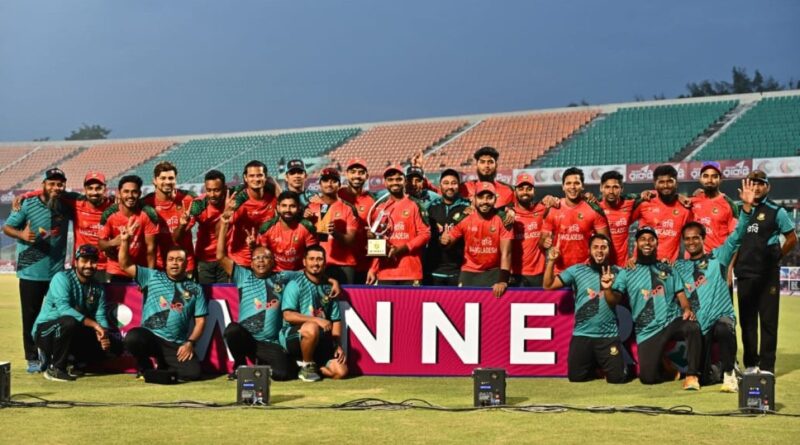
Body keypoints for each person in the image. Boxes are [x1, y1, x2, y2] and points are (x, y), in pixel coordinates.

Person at [217, 210, 338, 381]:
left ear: (273, 261)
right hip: (247, 338)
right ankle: (239, 365)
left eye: (265, 258)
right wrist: (224, 225)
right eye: (257, 258)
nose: (261, 261)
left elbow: (311, 271)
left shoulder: (283, 277)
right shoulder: (243, 275)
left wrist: (332, 280)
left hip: (269, 343)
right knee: (232, 330)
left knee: (284, 374)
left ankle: (263, 364)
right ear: (251, 262)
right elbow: (220, 256)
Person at [673, 179, 754, 391]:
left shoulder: (718, 257)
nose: (691, 242)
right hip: (700, 323)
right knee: (707, 377)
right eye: (687, 239)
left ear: (703, 239)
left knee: (724, 328)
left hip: (721, 317)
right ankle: (704, 373)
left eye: (695, 238)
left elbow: (738, 235)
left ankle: (729, 375)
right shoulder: (680, 267)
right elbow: (675, 289)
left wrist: (746, 207)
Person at [606, 227, 702, 390]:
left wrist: (687, 309)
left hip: (671, 321)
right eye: (643, 239)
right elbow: (613, 300)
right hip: (647, 330)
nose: (647, 243)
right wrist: (607, 288)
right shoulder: (627, 271)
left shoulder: (668, 268)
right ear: (636, 243)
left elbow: (681, 294)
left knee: (692, 326)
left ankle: (692, 375)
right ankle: (666, 364)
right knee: (648, 379)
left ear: (657, 243)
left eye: (651, 239)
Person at [118, 218, 207, 381]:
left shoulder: (195, 289)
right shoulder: (151, 276)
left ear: (186, 263)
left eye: (179, 260)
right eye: (171, 260)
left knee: (193, 373)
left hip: (174, 343)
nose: (175, 263)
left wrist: (190, 343)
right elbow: (125, 265)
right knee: (133, 337)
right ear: (165, 263)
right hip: (151, 337)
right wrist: (125, 241)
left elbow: (200, 322)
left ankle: (162, 367)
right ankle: (145, 365)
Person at [3, 168, 72, 373]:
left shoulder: (66, 205)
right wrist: (21, 235)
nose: (56, 187)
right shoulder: (28, 204)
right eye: (52, 183)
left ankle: (54, 355)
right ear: (44, 184)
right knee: (30, 317)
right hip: (31, 272)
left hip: (56, 273)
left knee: (59, 316)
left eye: (60, 184)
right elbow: (7, 227)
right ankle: (32, 358)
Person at [734, 170, 798, 374]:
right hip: (745, 273)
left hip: (767, 275)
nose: (756, 187)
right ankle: (751, 364)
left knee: (769, 322)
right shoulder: (738, 209)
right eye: (752, 183)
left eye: (760, 183)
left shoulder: (776, 211)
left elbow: (792, 238)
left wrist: (778, 255)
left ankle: (767, 366)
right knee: (747, 322)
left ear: (767, 187)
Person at [543, 234, 626, 383]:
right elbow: (548, 285)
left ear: (609, 250)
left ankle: (608, 364)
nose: (599, 251)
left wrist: (607, 288)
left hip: (608, 335)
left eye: (603, 247)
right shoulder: (576, 270)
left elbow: (614, 301)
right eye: (595, 247)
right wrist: (551, 261)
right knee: (576, 378)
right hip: (582, 334)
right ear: (589, 250)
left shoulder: (620, 272)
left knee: (617, 379)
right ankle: (595, 366)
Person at [32, 245, 115, 382]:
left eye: (93, 261)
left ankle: (73, 361)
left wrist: (104, 335)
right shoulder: (61, 278)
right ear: (76, 262)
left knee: (114, 346)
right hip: (46, 331)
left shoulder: (97, 287)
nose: (89, 265)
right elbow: (64, 309)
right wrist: (95, 325)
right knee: (68, 321)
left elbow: (100, 315)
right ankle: (55, 368)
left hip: (72, 331)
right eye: (84, 261)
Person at [14, 171, 114, 283]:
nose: (94, 192)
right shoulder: (76, 201)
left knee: (104, 295)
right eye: (90, 188)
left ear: (105, 189)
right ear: (85, 190)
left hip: (106, 266)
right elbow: (52, 190)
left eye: (98, 188)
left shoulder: (114, 206)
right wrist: (25, 195)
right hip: (80, 265)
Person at [281, 245, 348, 382]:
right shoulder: (295, 284)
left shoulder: (329, 288)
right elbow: (288, 315)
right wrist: (317, 320)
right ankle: (307, 366)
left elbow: (335, 320)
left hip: (320, 339)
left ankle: (309, 367)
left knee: (341, 372)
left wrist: (337, 344)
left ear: (325, 262)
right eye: (311, 259)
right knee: (312, 327)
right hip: (293, 337)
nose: (315, 263)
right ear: (304, 262)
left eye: (319, 259)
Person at [441, 182, 512, 297]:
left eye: (489, 197)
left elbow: (506, 253)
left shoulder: (504, 219)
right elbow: (448, 243)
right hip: (469, 271)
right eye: (481, 197)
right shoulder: (465, 218)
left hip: (493, 272)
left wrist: (503, 280)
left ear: (495, 199)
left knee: (494, 307)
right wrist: (444, 240)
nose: (485, 201)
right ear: (474, 199)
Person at [366, 165, 431, 286]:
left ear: (405, 181)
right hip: (385, 272)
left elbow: (425, 234)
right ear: (385, 183)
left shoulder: (415, 205)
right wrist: (373, 268)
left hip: (410, 272)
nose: (394, 182)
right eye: (390, 180)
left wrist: (403, 249)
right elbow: (378, 241)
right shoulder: (380, 207)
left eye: (398, 179)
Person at [540, 167, 609, 273]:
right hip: (560, 271)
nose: (572, 187)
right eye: (568, 183)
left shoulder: (594, 209)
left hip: (586, 271)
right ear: (563, 186)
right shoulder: (553, 208)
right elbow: (541, 241)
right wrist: (544, 243)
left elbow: (606, 242)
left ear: (582, 186)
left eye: (576, 183)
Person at [98, 175, 159, 281]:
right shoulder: (109, 214)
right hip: (116, 270)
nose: (130, 196)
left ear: (140, 193)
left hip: (139, 270)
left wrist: (150, 277)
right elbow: (100, 244)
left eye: (134, 192)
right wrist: (113, 242)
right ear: (119, 193)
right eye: (126, 191)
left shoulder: (148, 213)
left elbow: (151, 250)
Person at [305, 168, 359, 283]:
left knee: (345, 295)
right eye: (325, 180)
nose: (329, 184)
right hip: (318, 265)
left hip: (344, 265)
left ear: (339, 185)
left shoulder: (348, 208)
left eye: (334, 181)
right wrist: (306, 222)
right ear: (320, 184)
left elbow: (351, 241)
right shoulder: (310, 207)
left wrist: (335, 233)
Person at [145, 161, 197, 275]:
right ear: (154, 180)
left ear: (175, 180)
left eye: (171, 178)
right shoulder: (146, 204)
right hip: (158, 266)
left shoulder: (188, 199)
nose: (167, 182)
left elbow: (177, 238)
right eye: (163, 178)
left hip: (185, 266)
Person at [633, 165, 693, 262]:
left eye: (670, 181)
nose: (665, 186)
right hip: (641, 265)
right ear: (655, 184)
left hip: (668, 266)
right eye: (661, 182)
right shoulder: (644, 203)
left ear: (676, 183)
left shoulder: (685, 208)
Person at [227, 160, 279, 267]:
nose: (256, 179)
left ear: (265, 177)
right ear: (245, 178)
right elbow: (223, 227)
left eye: (259, 175)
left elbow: (284, 202)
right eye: (251, 176)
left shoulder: (273, 198)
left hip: (267, 259)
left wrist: (274, 182)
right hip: (241, 260)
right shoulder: (238, 201)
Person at [426, 168, 470, 286]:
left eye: (453, 183)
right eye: (446, 183)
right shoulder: (431, 207)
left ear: (459, 186)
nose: (450, 187)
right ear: (440, 186)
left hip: (459, 271)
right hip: (433, 270)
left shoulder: (468, 207)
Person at [337, 158, 378, 284]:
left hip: (363, 264)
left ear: (367, 176)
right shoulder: (338, 195)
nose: (357, 176)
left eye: (361, 172)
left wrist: (373, 268)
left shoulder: (372, 200)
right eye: (353, 172)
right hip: (339, 263)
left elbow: (378, 236)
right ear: (346, 174)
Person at [257, 191, 318, 271]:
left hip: (300, 273)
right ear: (278, 207)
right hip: (275, 272)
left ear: (299, 208)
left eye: (292, 206)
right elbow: (262, 255)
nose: (288, 210)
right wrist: (252, 246)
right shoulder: (267, 228)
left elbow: (313, 255)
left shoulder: (307, 227)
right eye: (284, 206)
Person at [189, 170, 230, 284]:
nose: (212, 194)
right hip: (204, 259)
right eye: (209, 190)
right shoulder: (198, 204)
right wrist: (183, 224)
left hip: (226, 258)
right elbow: (184, 231)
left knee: (226, 293)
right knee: (206, 293)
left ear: (224, 188)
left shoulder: (232, 201)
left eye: (216, 190)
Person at [598, 170, 645, 267]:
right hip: (601, 263)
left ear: (621, 189)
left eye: (615, 187)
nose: (611, 191)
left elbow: (653, 196)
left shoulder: (629, 203)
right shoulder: (595, 206)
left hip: (624, 264)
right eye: (607, 187)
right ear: (601, 188)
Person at [691, 161, 740, 252]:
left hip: (717, 257)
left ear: (720, 179)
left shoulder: (729, 204)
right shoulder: (693, 200)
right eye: (706, 176)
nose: (710, 180)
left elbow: (735, 238)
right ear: (700, 179)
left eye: (714, 176)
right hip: (694, 257)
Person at [511, 173, 549, 287]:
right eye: (521, 189)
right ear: (515, 191)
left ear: (534, 191)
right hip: (515, 274)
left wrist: (553, 199)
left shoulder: (543, 209)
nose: (525, 192)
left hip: (539, 273)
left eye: (529, 189)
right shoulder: (508, 214)